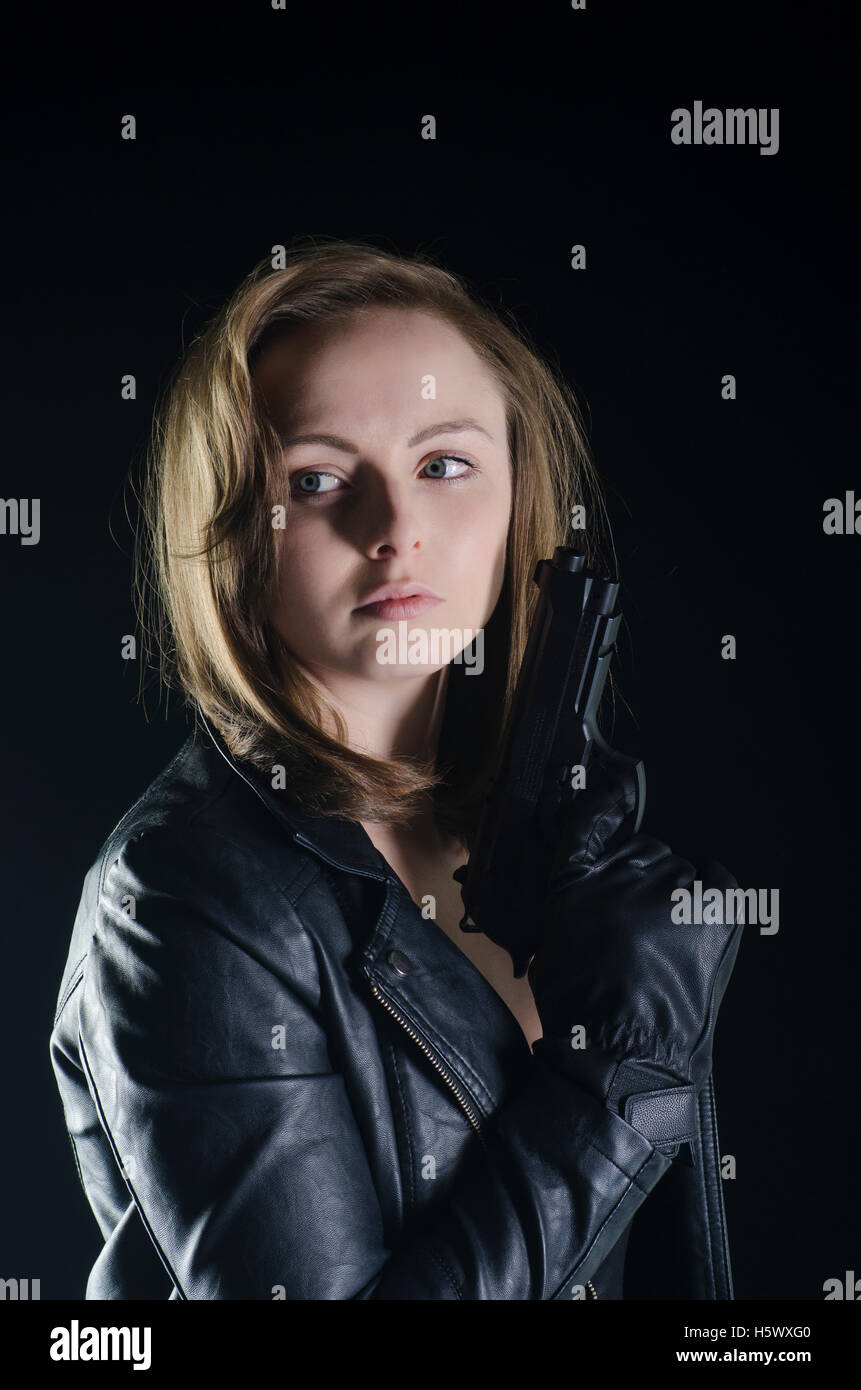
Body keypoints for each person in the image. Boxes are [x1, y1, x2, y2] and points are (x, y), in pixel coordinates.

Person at [49, 238, 743, 1300]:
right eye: (319, 479)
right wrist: (618, 1081)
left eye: (444, 464)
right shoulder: (182, 897)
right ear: (234, 527)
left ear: (518, 493)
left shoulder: (551, 835)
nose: (397, 528)